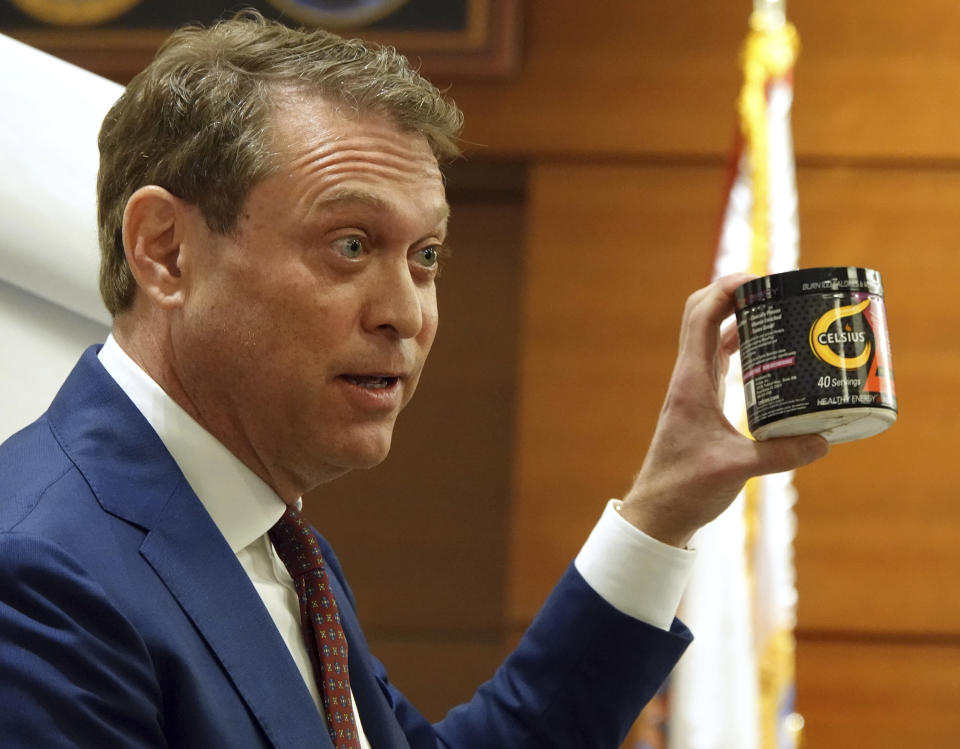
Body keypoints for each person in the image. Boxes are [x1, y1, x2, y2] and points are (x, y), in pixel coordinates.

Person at [0, 11, 828, 749]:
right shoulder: (40, 575)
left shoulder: (274, 539)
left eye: (425, 256)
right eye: (351, 245)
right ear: (166, 251)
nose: (407, 313)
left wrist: (664, 507)